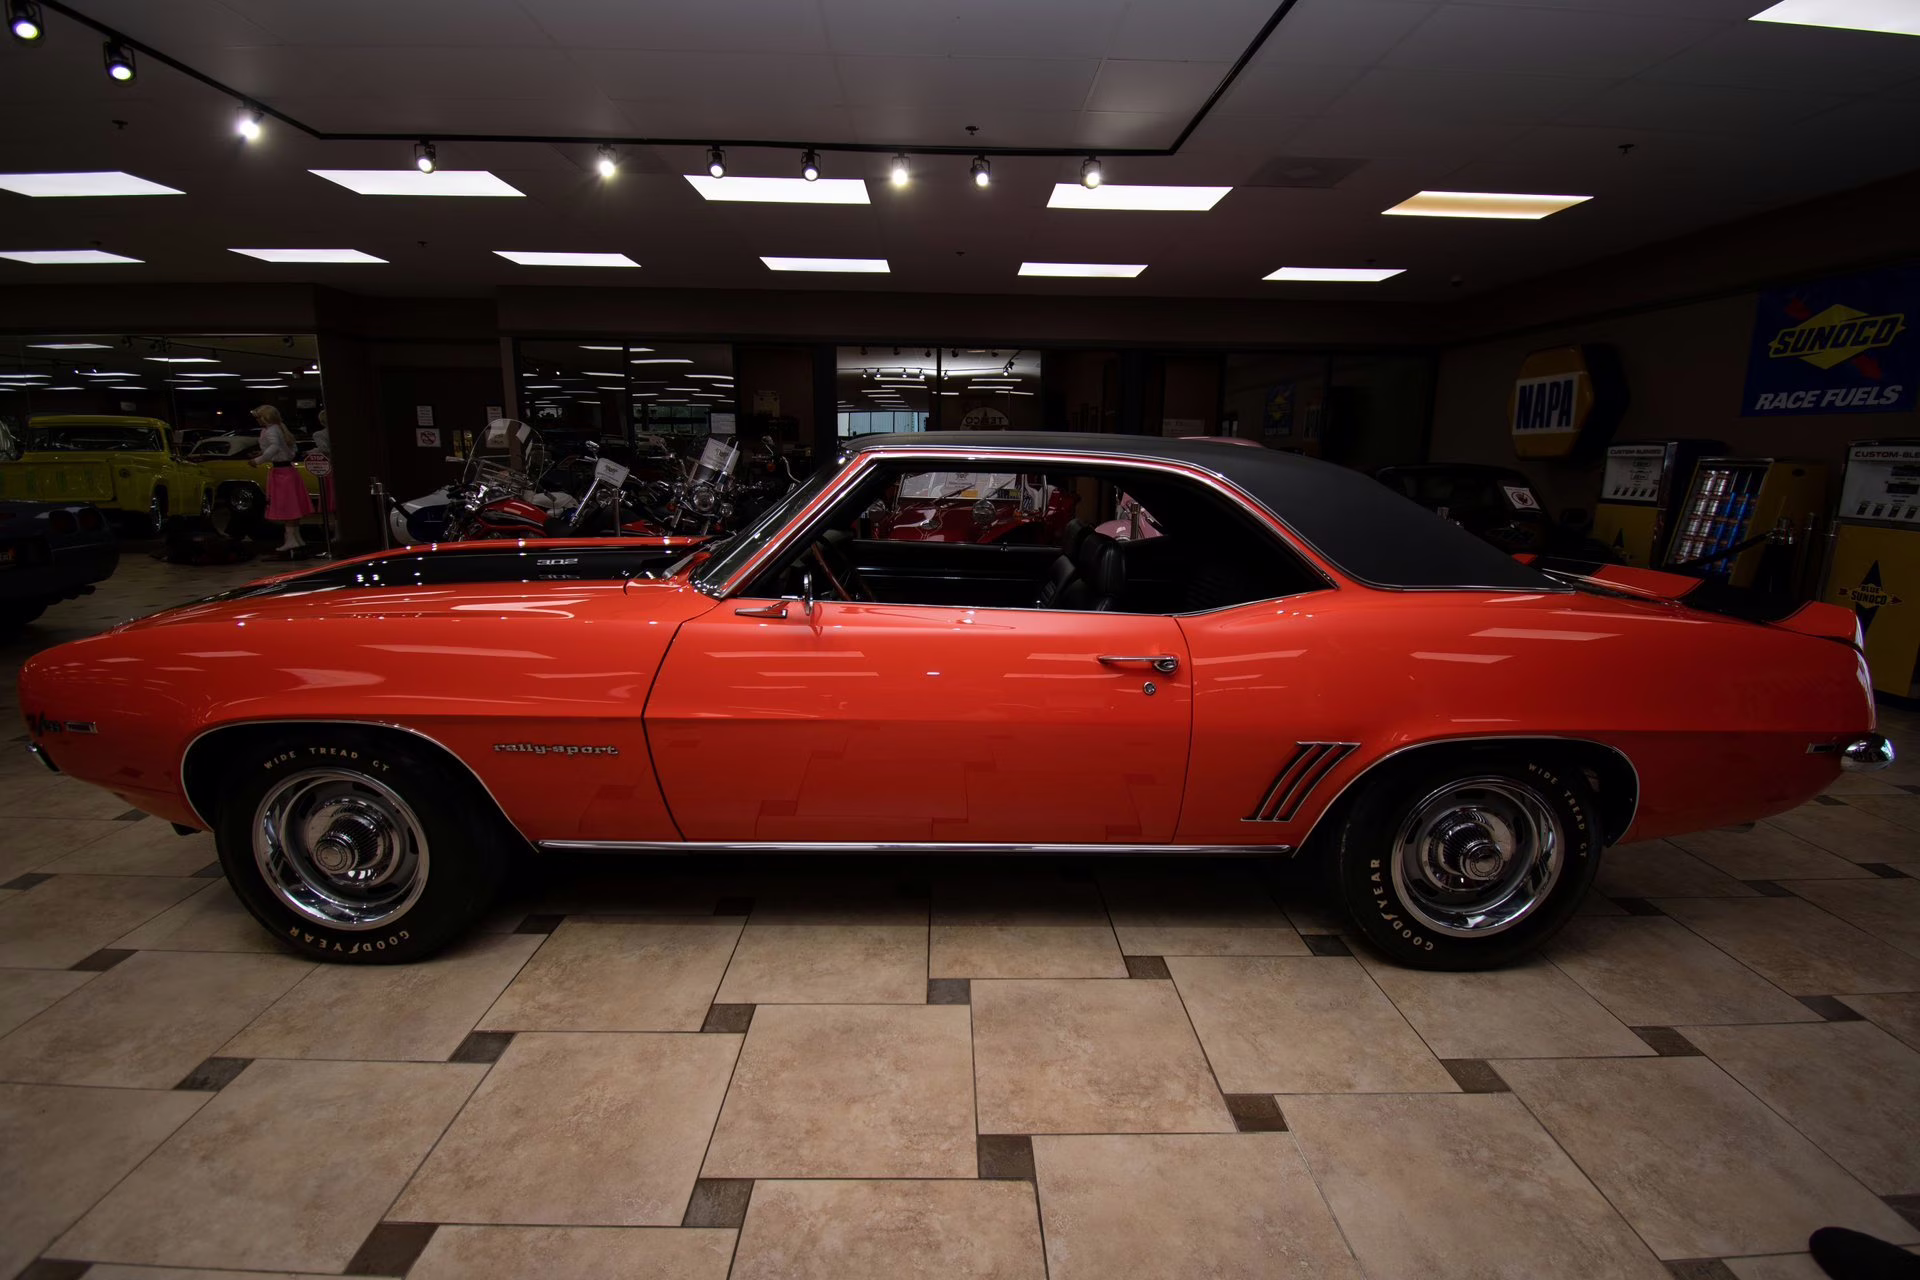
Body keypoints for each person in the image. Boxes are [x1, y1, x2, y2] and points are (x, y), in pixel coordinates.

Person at [249, 405, 307, 557]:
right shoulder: (279, 428)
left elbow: (274, 447)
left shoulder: (271, 430)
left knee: (287, 506)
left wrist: (258, 460)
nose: (257, 421)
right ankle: (296, 538)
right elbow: (290, 448)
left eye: (259, 417)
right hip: (288, 471)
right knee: (293, 506)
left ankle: (291, 540)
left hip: (282, 473)